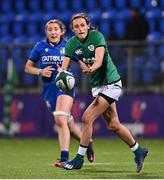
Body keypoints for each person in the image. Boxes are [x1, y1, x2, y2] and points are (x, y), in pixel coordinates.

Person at [58, 13, 148, 172]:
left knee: (86, 118)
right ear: (73, 29)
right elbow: (64, 66)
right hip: (98, 86)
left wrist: (91, 68)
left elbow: (99, 60)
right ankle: (138, 150)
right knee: (113, 125)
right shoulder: (71, 43)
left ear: (87, 25)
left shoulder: (97, 36)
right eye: (76, 26)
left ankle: (79, 159)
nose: (80, 28)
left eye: (82, 25)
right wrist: (61, 74)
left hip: (111, 83)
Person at [24, 19, 95, 168]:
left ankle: (64, 157)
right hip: (49, 89)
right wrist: (40, 71)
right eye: (50, 29)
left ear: (62, 31)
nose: (53, 32)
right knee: (68, 124)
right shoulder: (40, 46)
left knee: (60, 120)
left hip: (66, 87)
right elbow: (28, 67)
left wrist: (87, 68)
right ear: (46, 32)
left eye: (56, 29)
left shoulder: (68, 45)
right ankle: (87, 143)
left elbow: (80, 61)